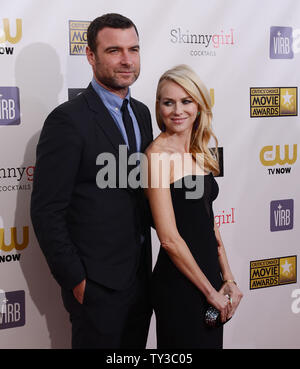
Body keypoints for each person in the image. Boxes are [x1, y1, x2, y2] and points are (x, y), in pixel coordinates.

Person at [30, 13, 153, 349]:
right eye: (114, 50)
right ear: (90, 55)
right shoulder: (67, 121)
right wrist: (77, 280)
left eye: (134, 49)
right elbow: (46, 211)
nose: (127, 60)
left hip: (141, 280)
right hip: (97, 287)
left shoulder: (142, 113)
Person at [145, 64, 243, 349]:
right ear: (158, 106)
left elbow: (208, 220)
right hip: (179, 285)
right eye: (168, 102)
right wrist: (210, 293)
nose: (178, 110)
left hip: (210, 279)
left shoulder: (199, 151)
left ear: (198, 105)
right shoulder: (155, 157)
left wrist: (227, 277)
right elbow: (169, 239)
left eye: (186, 101)